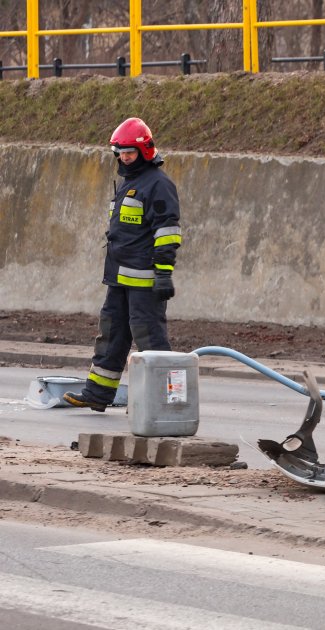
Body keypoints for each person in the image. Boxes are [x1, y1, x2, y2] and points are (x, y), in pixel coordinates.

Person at [63, 118, 182, 412]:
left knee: (151, 341)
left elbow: (167, 232)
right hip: (118, 279)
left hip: (144, 281)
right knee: (111, 336)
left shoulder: (159, 185)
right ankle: (97, 394)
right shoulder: (130, 182)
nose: (123, 157)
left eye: (129, 152)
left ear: (144, 150)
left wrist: (164, 274)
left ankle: (168, 403)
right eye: (120, 152)